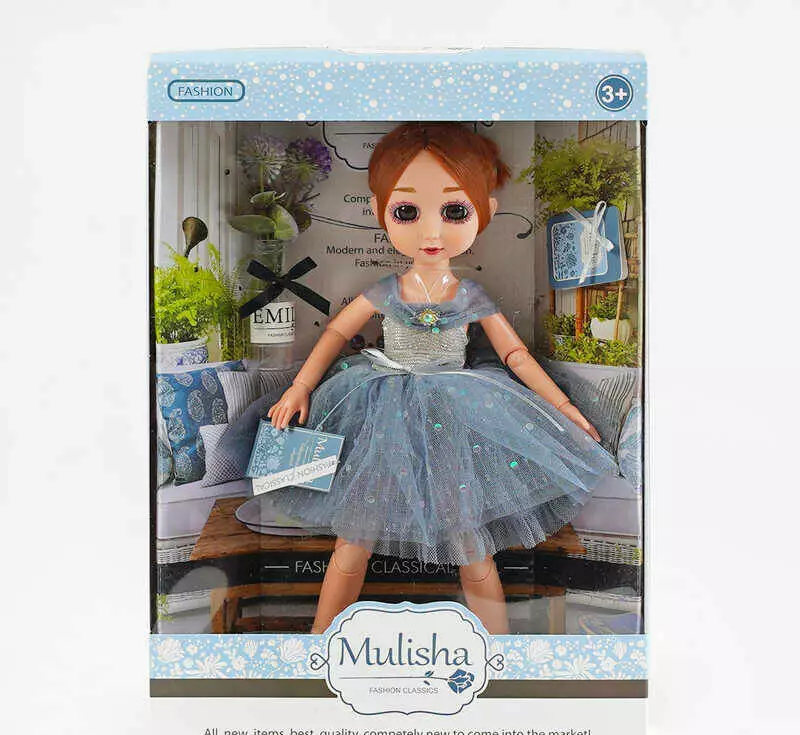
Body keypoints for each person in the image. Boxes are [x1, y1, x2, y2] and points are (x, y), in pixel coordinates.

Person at [257, 122, 616, 634]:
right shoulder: (386, 290)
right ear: (381, 211)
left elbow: (515, 355)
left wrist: (563, 408)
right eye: (407, 211)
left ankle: (495, 648)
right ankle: (322, 642)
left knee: (470, 543)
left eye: (454, 212)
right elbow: (337, 332)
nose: (431, 233)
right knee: (354, 540)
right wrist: (301, 386)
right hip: (381, 410)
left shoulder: (470, 297)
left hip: (457, 411)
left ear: (486, 211)